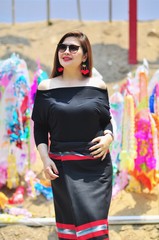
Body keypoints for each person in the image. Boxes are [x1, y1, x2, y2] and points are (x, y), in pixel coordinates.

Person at [31, 30, 114, 240]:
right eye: (62, 47)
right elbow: (40, 127)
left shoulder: (98, 86)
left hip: (97, 166)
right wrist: (45, 158)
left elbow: (106, 121)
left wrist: (108, 138)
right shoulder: (46, 87)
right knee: (71, 232)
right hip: (63, 167)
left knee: (96, 231)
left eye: (73, 48)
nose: (66, 51)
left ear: (85, 55)